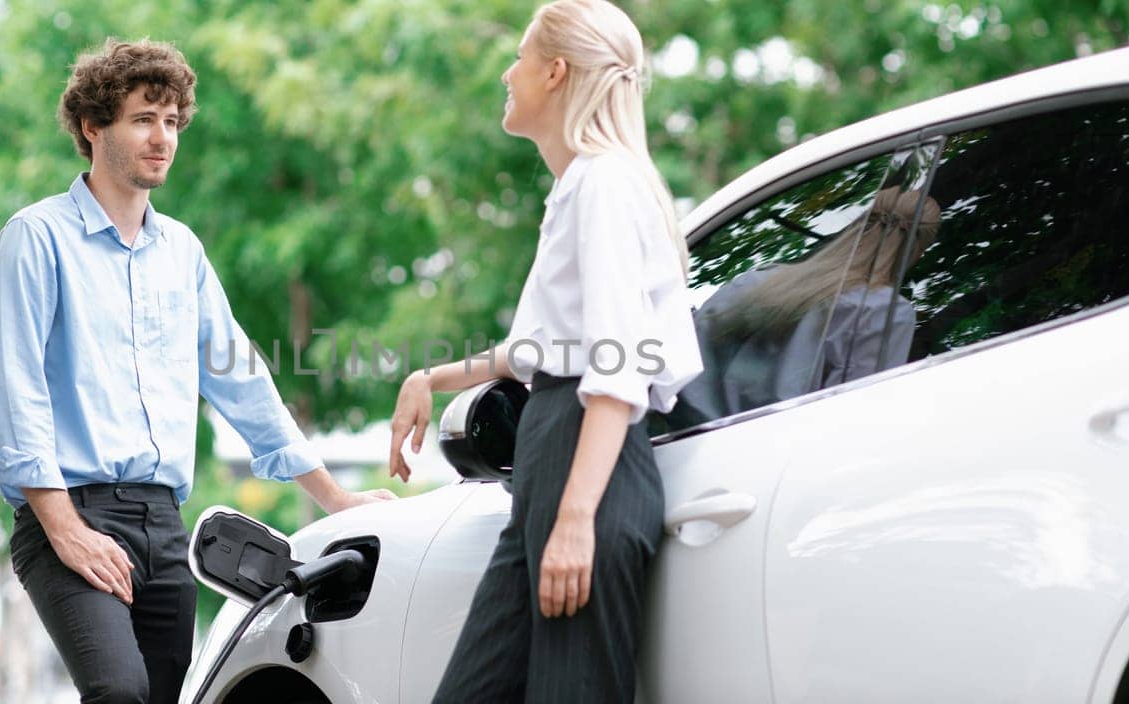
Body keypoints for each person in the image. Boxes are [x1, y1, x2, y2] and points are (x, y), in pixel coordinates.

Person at [0, 39, 393, 704]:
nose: (162, 137)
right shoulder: (36, 238)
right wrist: (65, 528)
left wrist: (333, 496)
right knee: (119, 691)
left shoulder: (182, 253)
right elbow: (12, 388)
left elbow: (240, 379)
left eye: (172, 122)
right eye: (143, 118)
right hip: (67, 513)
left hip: (164, 524)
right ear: (93, 127)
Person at [385, 2, 701, 700]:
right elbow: (543, 346)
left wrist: (576, 520)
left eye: (520, 56)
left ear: (555, 72)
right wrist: (431, 377)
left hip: (585, 467)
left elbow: (615, 366)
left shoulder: (604, 184)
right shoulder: (583, 185)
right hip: (550, 464)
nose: (508, 70)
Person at [674, 187, 942, 424]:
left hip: (693, 450)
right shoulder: (884, 313)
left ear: (859, 224)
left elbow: (680, 359)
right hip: (789, 463)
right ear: (917, 250)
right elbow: (857, 418)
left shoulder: (761, 281)